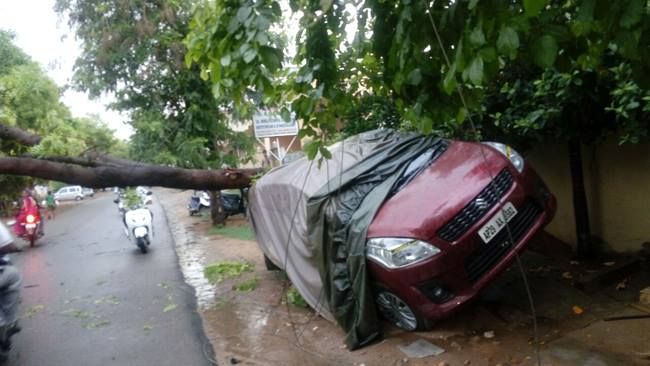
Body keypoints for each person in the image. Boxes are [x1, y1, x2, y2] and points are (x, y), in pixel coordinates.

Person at [0, 222, 22, 350]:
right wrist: (15, 248)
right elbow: (8, 245)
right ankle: (11, 322)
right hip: (6, 272)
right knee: (13, 276)